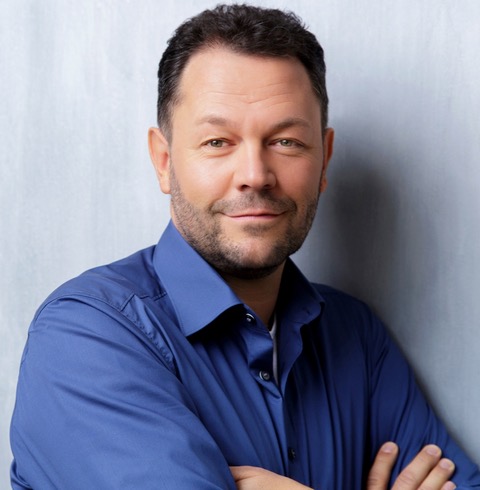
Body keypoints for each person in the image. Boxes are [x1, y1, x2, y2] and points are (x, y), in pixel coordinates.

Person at [10, 4, 480, 489]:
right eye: (218, 142)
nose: (255, 175)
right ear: (164, 160)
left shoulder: (356, 337)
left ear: (324, 160)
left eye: (286, 142)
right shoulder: (87, 336)